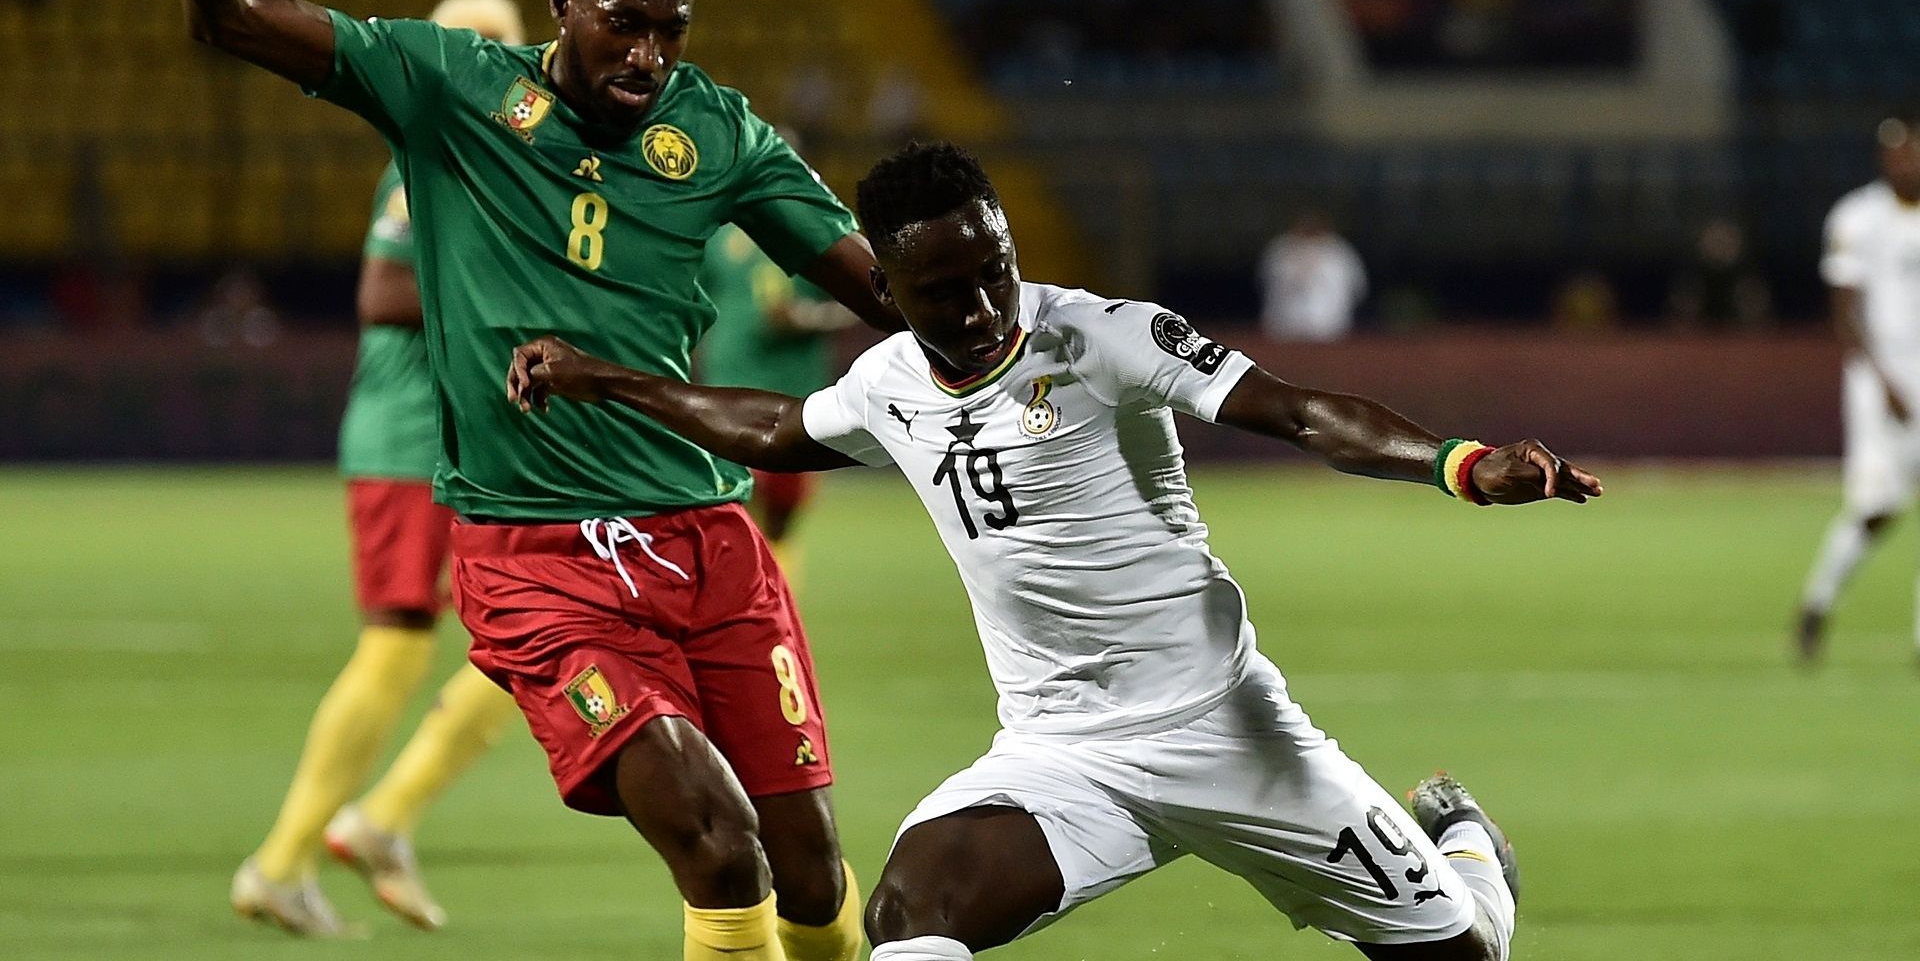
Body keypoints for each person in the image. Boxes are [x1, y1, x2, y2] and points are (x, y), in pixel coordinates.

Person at [508, 141, 1604, 961]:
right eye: (944, 291)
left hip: (1224, 728)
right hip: (1063, 757)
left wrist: (1457, 461)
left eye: (996, 266)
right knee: (906, 916)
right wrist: (605, 378)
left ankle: (1472, 865)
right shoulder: (890, 384)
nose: (986, 304)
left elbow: (1301, 412)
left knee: (1466, 954)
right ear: (890, 295)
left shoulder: (1102, 336)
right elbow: (772, 428)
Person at [182, 0, 894, 956]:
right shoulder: (448, 87)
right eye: (624, 22)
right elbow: (231, 11)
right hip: (541, 556)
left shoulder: (720, 132)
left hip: (709, 542)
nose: (648, 54)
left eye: (671, 30)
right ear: (562, 2)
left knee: (808, 872)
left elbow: (879, 285)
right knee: (716, 839)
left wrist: (1019, 339)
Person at [232, 0, 527, 937]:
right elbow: (386, 290)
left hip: (453, 443)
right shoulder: (431, 159)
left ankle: (371, 825)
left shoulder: (476, 162)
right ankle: (302, 853)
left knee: (531, 636)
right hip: (414, 438)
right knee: (413, 645)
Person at [1795, 115, 1920, 663]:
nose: (1905, 161)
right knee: (1877, 508)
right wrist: (1883, 380)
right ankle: (1817, 600)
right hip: (1879, 381)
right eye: (1895, 152)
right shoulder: (1857, 217)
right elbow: (1845, 312)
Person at [697, 218, 855, 570]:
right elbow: (690, 300)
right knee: (726, 511)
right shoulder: (715, 239)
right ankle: (739, 601)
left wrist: (808, 317)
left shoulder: (815, 232)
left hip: (794, 396)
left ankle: (775, 604)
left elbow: (864, 301)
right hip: (727, 389)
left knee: (782, 519)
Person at [1260, 211, 1368, 342]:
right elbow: (1265, 283)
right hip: (1285, 326)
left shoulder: (1339, 252)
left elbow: (1357, 287)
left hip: (1330, 326)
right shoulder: (1281, 250)